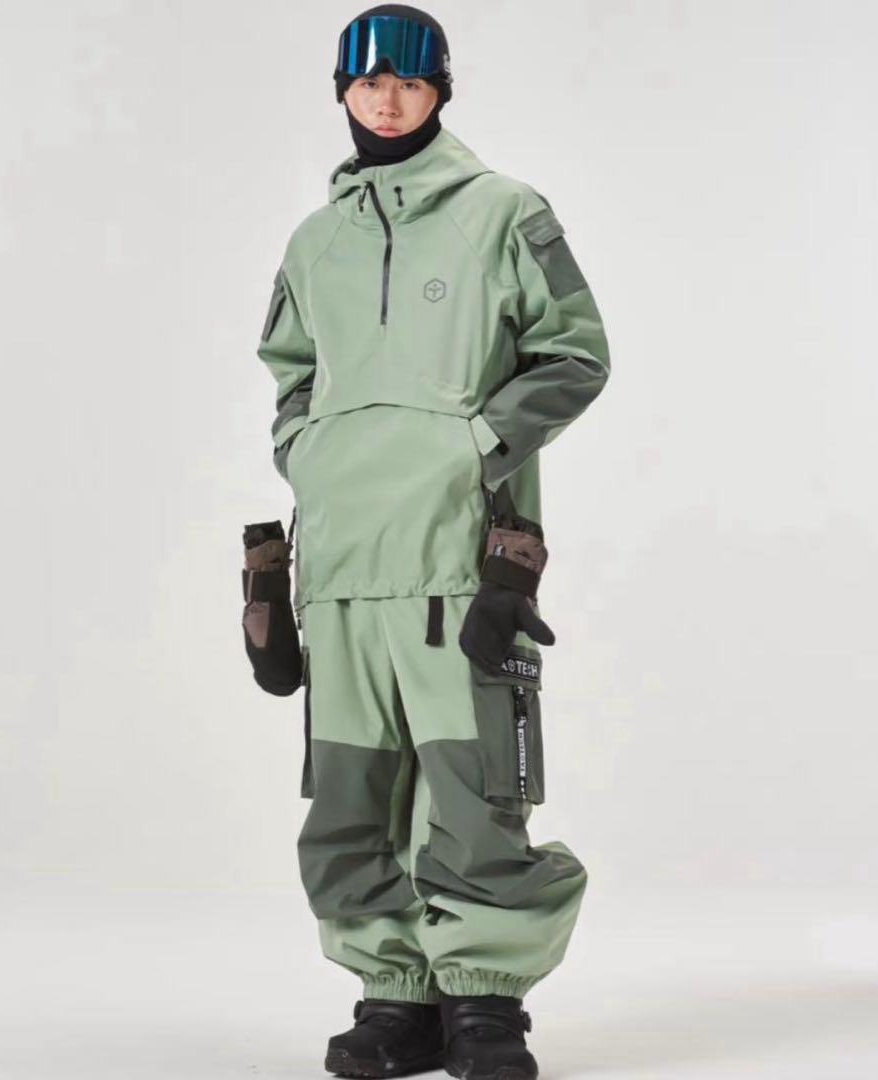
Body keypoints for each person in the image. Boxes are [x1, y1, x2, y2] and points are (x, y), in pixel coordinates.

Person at [254, 6, 611, 1078]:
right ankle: (394, 994)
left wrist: (475, 444)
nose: (388, 101)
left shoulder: (505, 212)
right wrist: (309, 455)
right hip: (341, 564)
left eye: (410, 83)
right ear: (342, 92)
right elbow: (290, 374)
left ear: (440, 92)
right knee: (351, 794)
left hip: (460, 554)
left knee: (472, 790)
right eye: (369, 83)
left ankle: (484, 1000)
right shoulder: (314, 242)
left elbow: (575, 352)